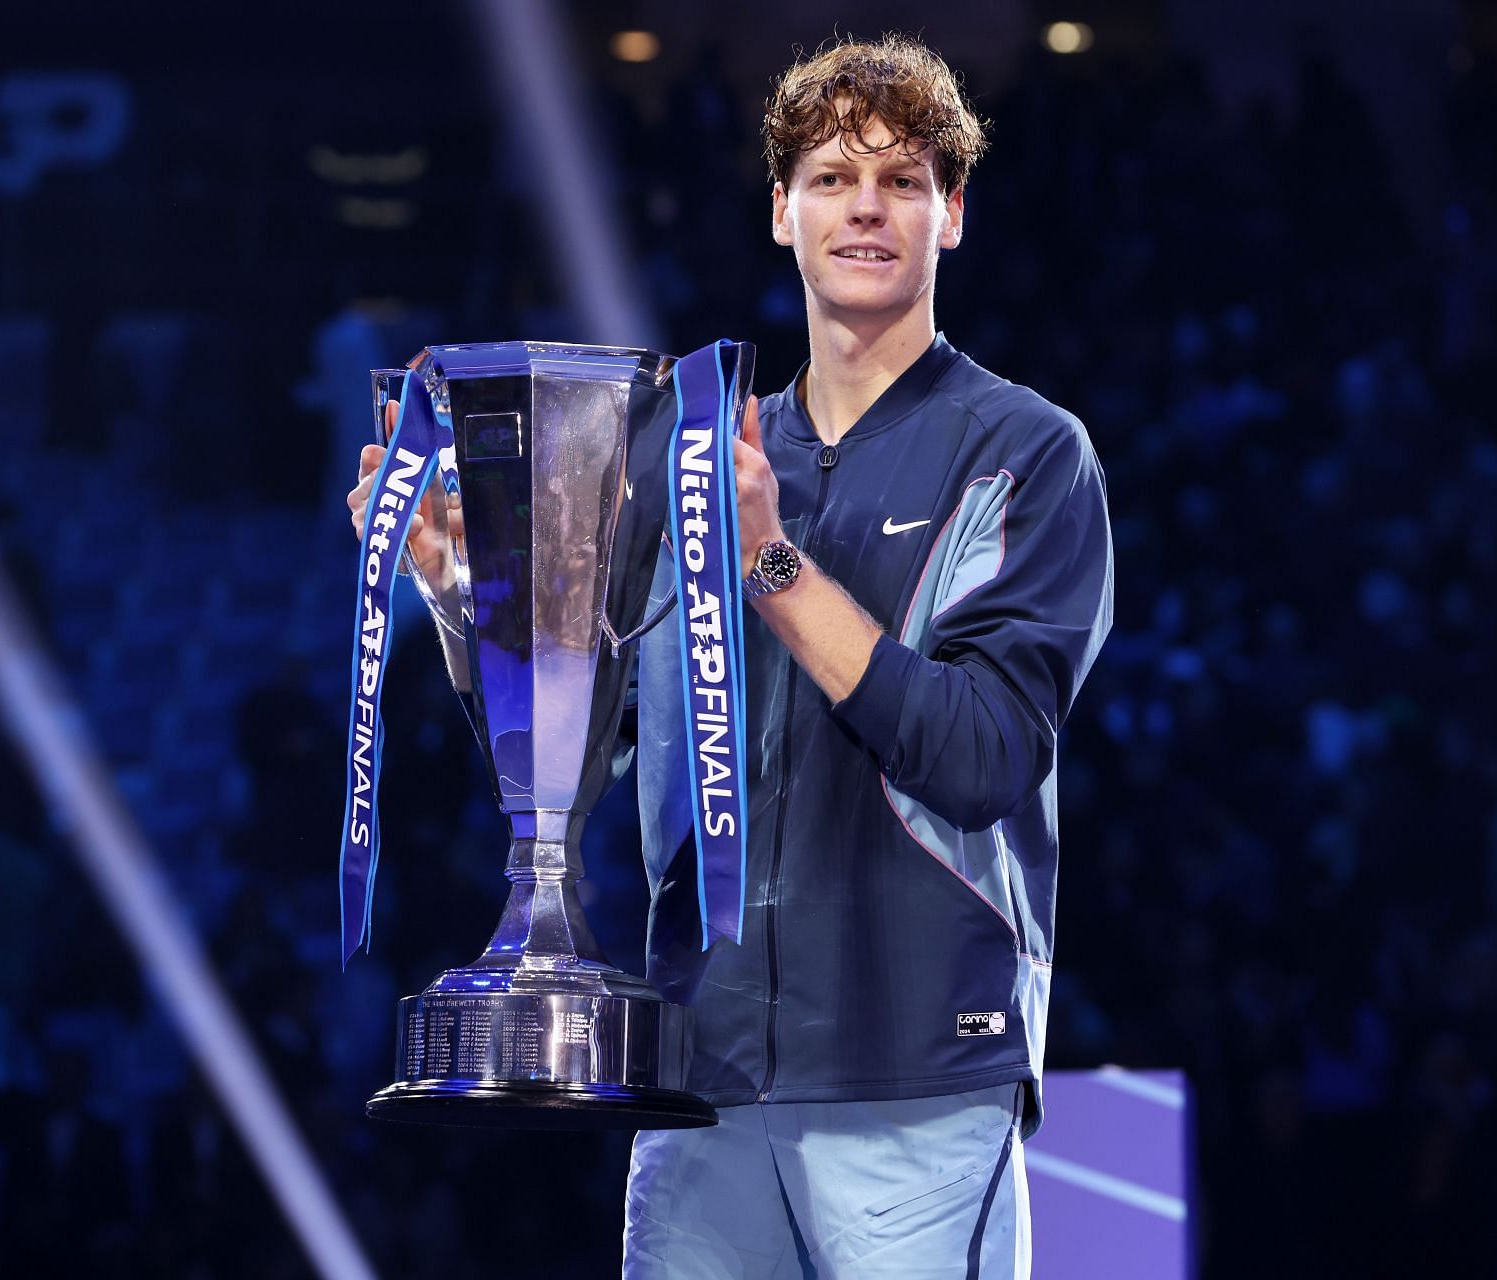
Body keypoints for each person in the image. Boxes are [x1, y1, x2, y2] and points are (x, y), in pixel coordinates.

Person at [349, 35, 1112, 1278]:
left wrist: (770, 562)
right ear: (780, 210)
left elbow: (981, 755)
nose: (865, 204)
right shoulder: (692, 448)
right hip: (701, 1079)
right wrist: (455, 584)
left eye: (904, 179)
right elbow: (606, 728)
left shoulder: (1025, 453)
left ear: (952, 216)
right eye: (830, 176)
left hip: (912, 1077)